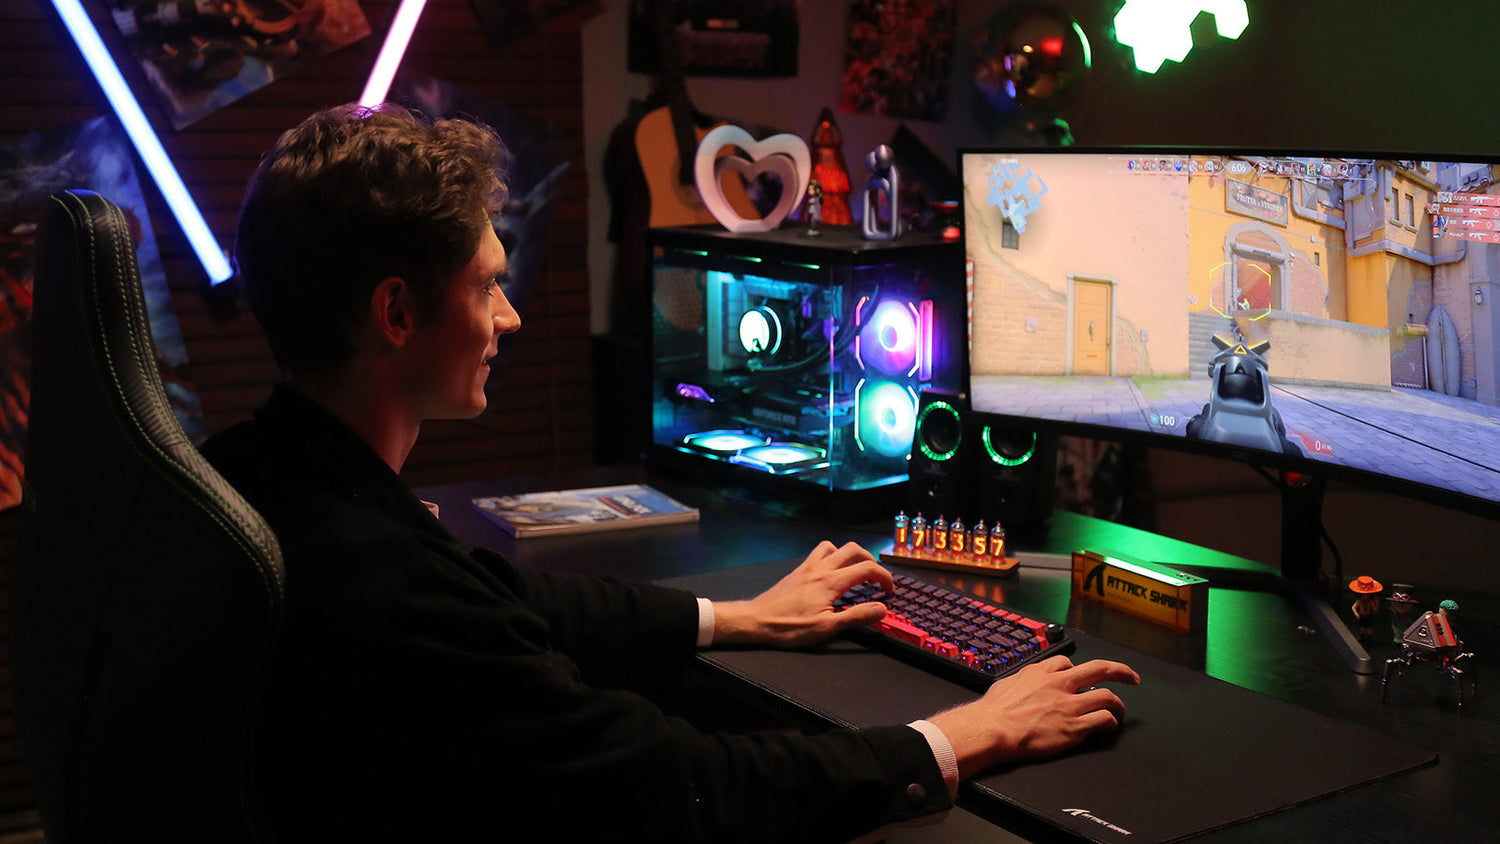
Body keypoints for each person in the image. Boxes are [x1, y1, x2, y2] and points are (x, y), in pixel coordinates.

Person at [205, 102, 1139, 842]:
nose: (511, 317)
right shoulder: (384, 582)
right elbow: (684, 788)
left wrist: (738, 617)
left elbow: (508, 598)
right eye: (487, 286)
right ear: (397, 314)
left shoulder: (255, 475)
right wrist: (963, 734)